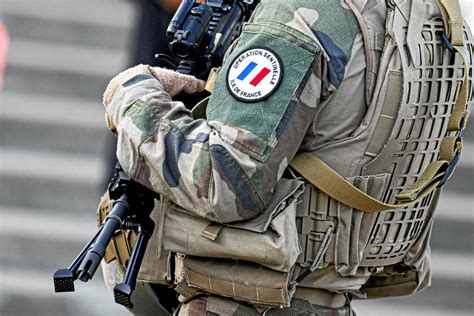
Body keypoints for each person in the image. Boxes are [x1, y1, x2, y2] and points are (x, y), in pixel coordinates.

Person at [100, 0, 473, 315]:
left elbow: (225, 181)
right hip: (327, 296)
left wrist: (133, 98)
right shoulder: (437, 18)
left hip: (244, 301)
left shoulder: (301, 13)